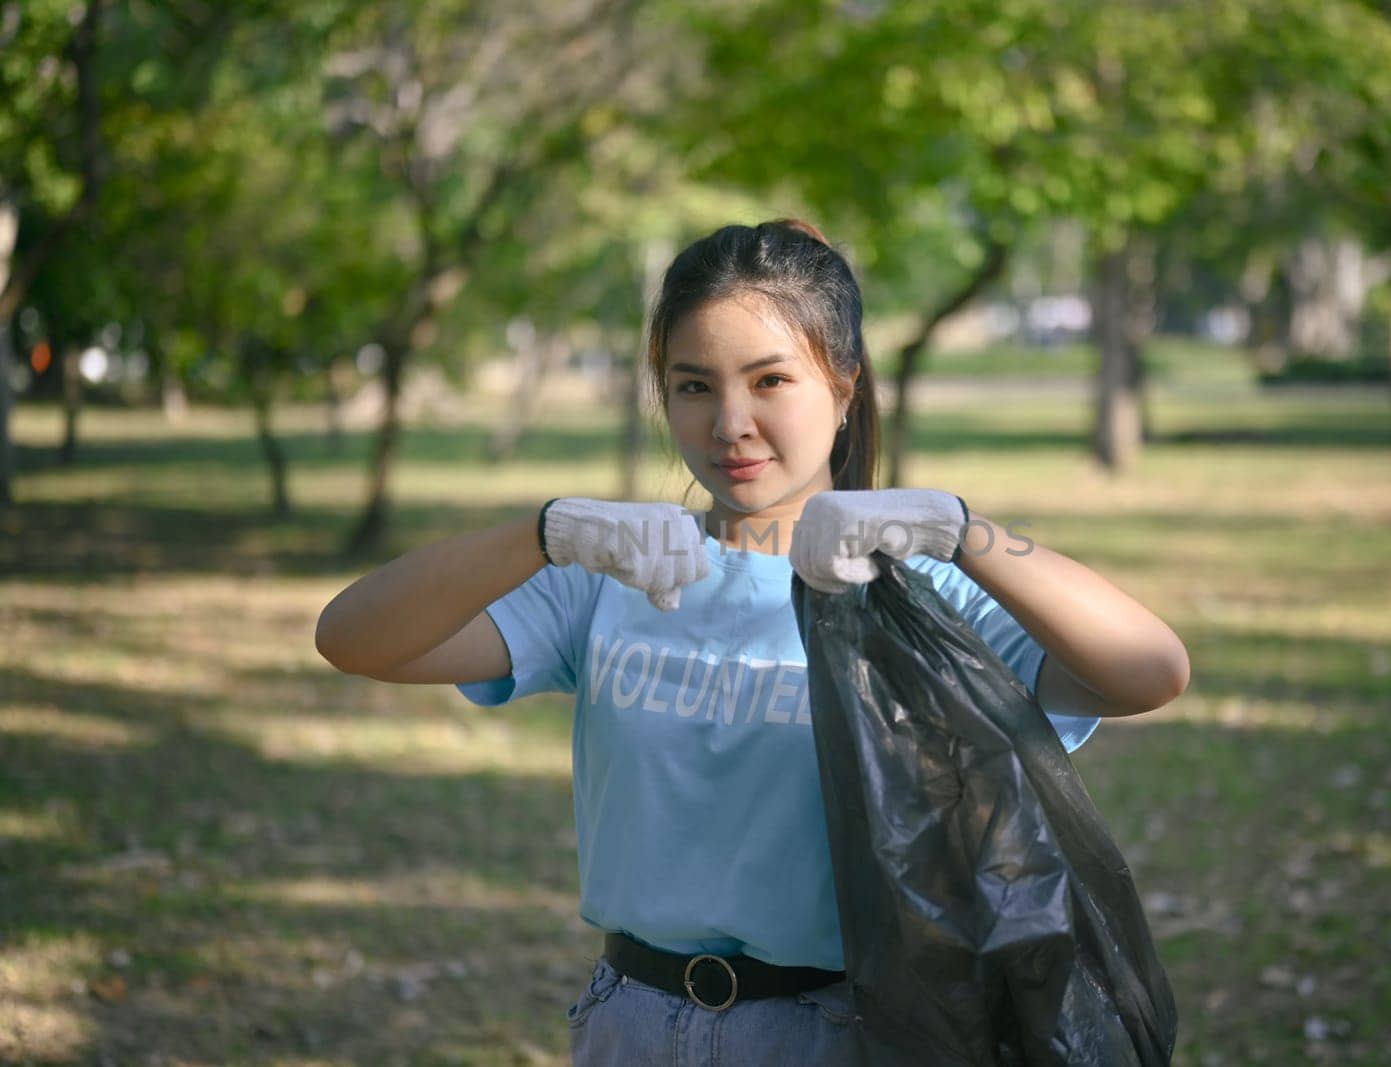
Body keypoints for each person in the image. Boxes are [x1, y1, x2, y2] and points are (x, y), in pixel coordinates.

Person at [315, 219, 1191, 1066]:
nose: (729, 421)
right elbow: (355, 639)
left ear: (844, 387)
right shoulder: (613, 572)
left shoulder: (918, 589)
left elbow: (1151, 670)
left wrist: (960, 531)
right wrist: (542, 534)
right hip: (632, 1018)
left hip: (844, 1028)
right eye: (695, 385)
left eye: (770, 380)